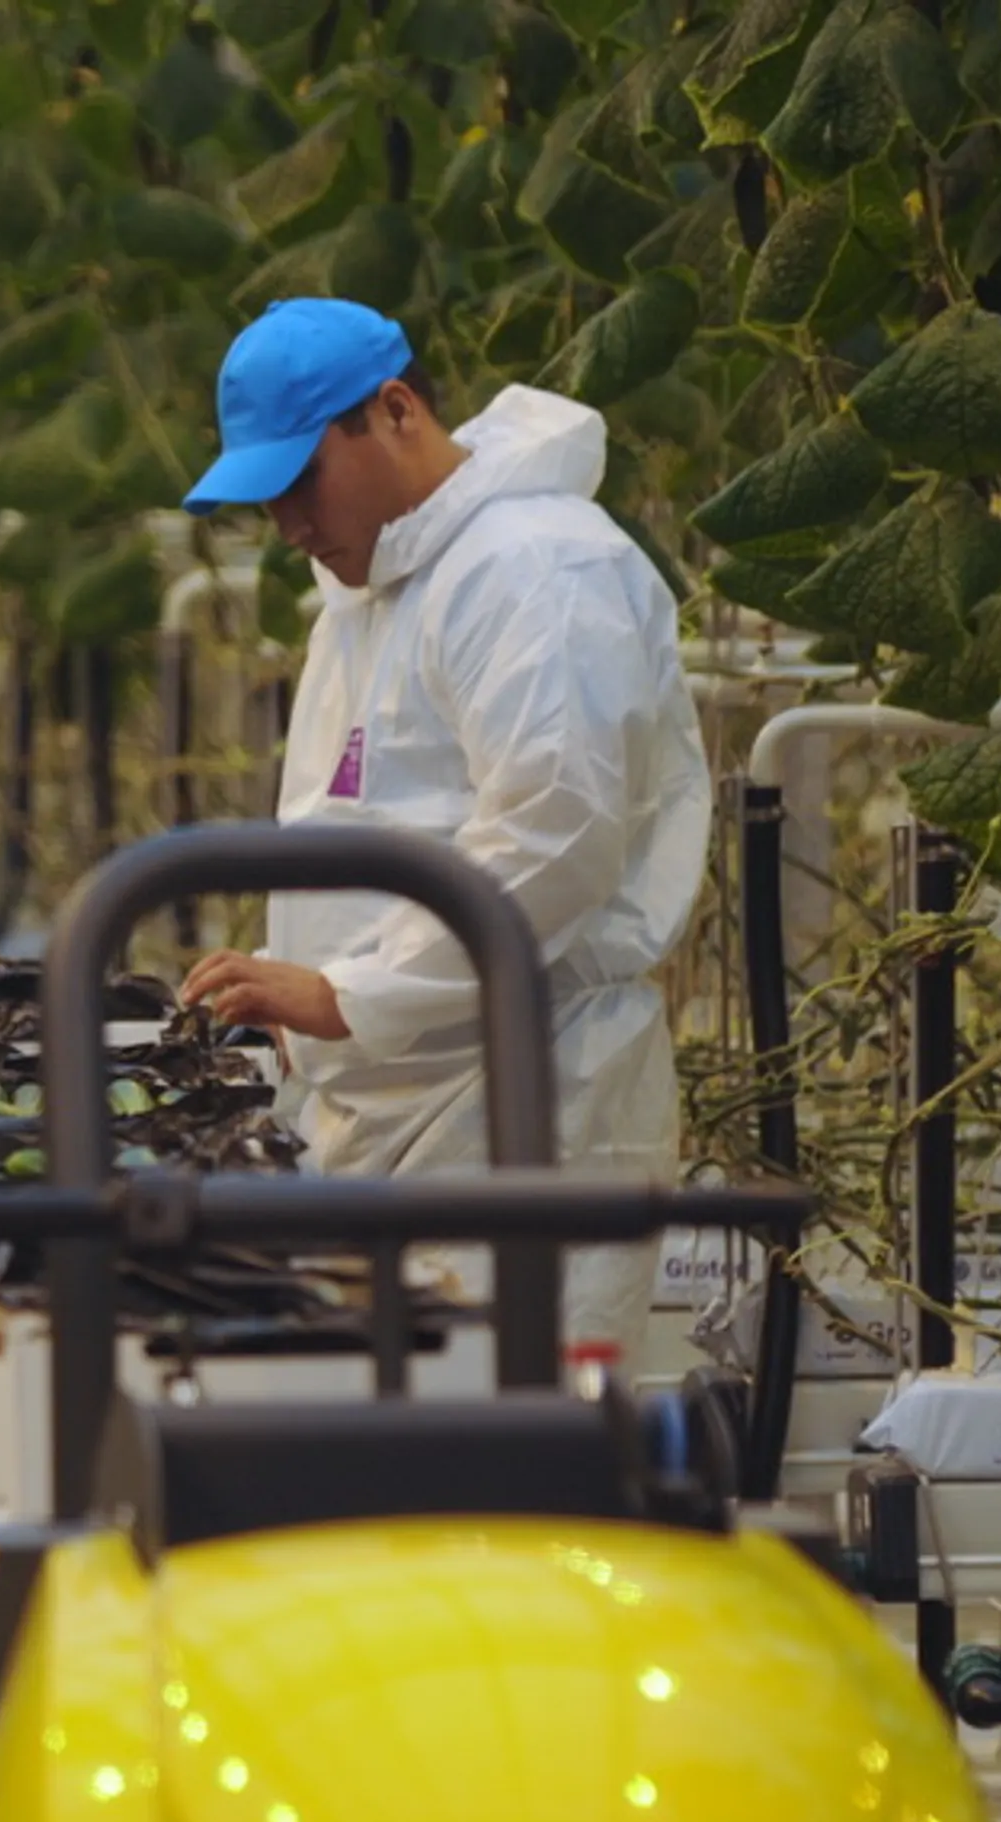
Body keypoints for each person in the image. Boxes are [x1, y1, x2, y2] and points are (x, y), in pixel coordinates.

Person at [174, 299, 707, 1366]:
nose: (287, 525)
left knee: (508, 1478)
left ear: (397, 409)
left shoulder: (535, 570)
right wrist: (302, 989)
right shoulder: (371, 594)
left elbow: (555, 837)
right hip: (401, 1114)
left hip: (530, 1106)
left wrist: (343, 994)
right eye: (263, 499)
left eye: (300, 481)